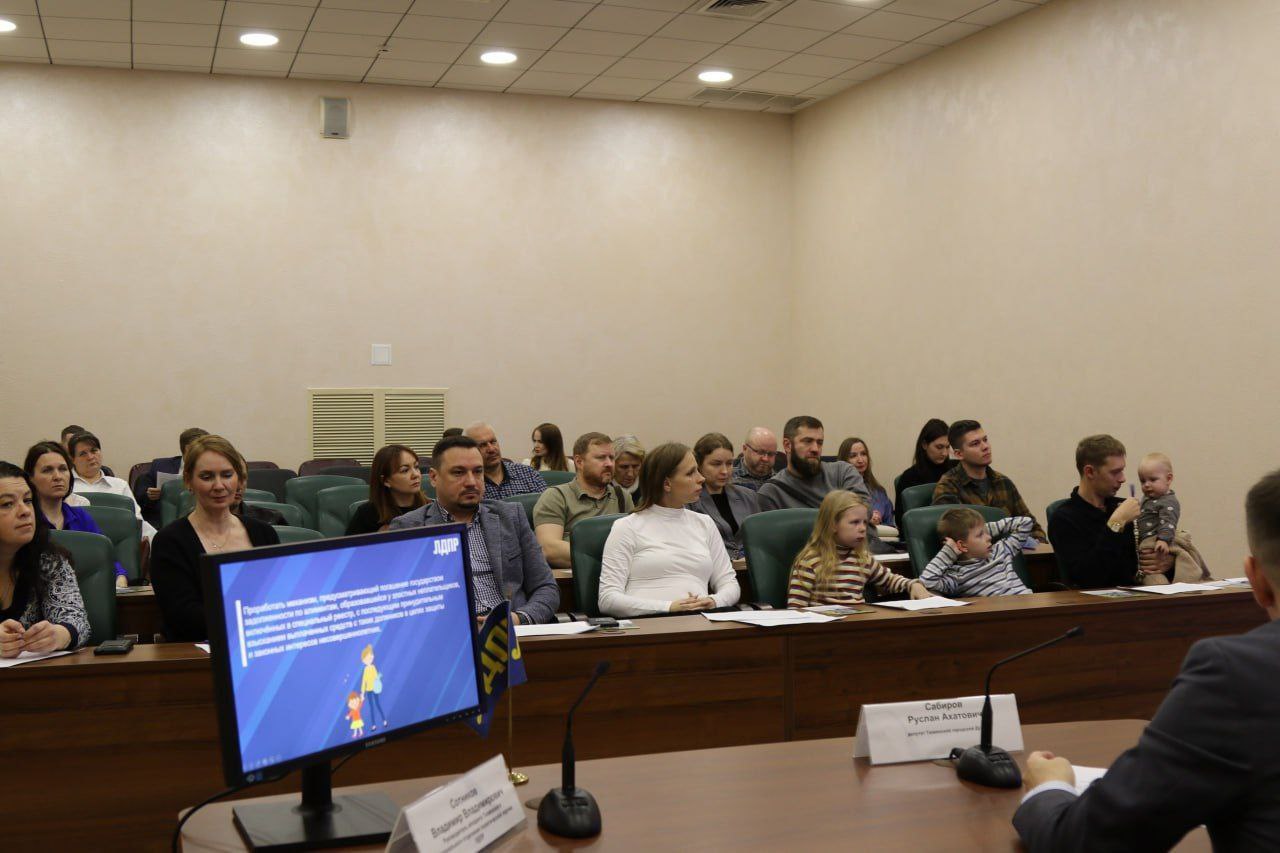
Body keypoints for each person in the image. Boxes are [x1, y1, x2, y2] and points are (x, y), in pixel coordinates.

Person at [1013, 468, 1280, 852]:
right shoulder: (1073, 517)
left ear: (1256, 580)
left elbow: (1089, 840)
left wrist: (1048, 788)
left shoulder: (1235, 675)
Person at [390, 435, 559, 624]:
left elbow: (546, 587)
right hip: (454, 633)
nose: (471, 482)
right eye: (458, 473)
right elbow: (403, 605)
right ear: (434, 477)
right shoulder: (409, 527)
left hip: (514, 630)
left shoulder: (511, 516)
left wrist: (519, 619)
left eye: (478, 471)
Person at [150, 435, 279, 641]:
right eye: (207, 477)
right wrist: (253, 621)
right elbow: (183, 618)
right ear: (188, 481)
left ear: (239, 479)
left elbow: (277, 597)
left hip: (260, 646)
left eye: (227, 475)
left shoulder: (264, 533)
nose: (219, 485)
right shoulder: (169, 541)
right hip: (197, 653)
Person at [598, 442, 740, 617]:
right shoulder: (627, 527)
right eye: (690, 473)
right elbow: (608, 599)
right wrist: (669, 607)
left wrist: (715, 601)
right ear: (667, 484)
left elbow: (729, 583)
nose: (701, 478)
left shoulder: (705, 523)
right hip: (649, 623)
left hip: (698, 620)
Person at [1048, 434, 1172, 589]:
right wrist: (1117, 522)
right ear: (1090, 472)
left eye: (1122, 470)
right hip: (1098, 600)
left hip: (1142, 593)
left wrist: (1168, 562)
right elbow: (1088, 577)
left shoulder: (1124, 506)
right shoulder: (1064, 518)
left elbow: (1153, 551)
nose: (1122, 478)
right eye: (1115, 472)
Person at [0, 461, 91, 656]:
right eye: (7, 504)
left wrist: (60, 635)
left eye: (27, 500)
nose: (25, 511)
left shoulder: (49, 560)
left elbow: (78, 621)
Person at [787, 491, 929, 608]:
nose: (862, 528)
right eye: (855, 522)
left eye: (865, 522)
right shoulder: (810, 561)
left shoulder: (862, 558)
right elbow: (796, 609)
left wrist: (913, 585)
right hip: (824, 630)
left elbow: (889, 580)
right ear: (832, 524)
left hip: (858, 625)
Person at [24, 441, 127, 587]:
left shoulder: (81, 517)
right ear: (30, 479)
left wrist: (120, 577)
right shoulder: (24, 519)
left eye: (63, 469)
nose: (57, 476)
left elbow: (108, 560)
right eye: (47, 470)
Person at [931, 420, 1046, 542]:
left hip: (1011, 552)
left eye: (985, 440)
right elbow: (953, 538)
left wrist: (1036, 542)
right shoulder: (948, 486)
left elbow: (1033, 527)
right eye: (975, 444)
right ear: (959, 454)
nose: (985, 447)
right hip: (977, 554)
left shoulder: (1003, 482)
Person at [533, 432, 633, 569]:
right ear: (579, 462)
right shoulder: (556, 496)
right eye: (601, 458)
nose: (609, 464)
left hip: (619, 575)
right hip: (574, 578)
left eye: (611, 458)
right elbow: (549, 549)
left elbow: (637, 543)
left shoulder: (622, 496)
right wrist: (610, 558)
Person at [757, 416, 872, 512]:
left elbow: (863, 511)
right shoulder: (772, 492)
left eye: (819, 443)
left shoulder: (842, 472)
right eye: (808, 441)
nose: (815, 449)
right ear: (787, 445)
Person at [919, 507, 1035, 597]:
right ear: (962, 545)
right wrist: (948, 552)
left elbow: (1026, 523)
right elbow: (926, 582)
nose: (989, 537)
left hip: (1029, 605)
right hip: (1003, 615)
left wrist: (985, 529)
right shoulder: (958, 576)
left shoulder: (1000, 550)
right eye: (980, 535)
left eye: (987, 532)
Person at [1134, 452, 1211, 585]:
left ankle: (1186, 581)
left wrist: (1163, 540)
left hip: (1158, 540)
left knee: (1156, 579)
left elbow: (1168, 522)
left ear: (1168, 479)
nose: (1146, 485)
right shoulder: (1147, 498)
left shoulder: (1168, 501)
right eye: (1143, 481)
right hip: (1146, 540)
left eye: (1152, 480)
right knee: (1149, 572)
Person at [68, 431, 156, 539]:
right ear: (72, 459)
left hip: (119, 542)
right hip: (78, 541)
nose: (90, 457)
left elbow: (136, 521)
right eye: (83, 454)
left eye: (94, 451)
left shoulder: (120, 485)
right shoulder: (66, 487)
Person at [689, 433, 759, 560]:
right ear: (699, 465)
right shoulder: (689, 501)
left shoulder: (748, 496)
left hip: (751, 565)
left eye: (729, 463)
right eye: (716, 464)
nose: (725, 471)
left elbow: (761, 536)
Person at [133, 427, 209, 528]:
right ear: (188, 448)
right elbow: (139, 501)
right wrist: (150, 496)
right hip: (162, 523)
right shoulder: (160, 466)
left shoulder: (212, 468)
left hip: (202, 520)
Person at [346, 444, 428, 535]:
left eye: (416, 467)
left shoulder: (431, 507)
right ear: (385, 480)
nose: (416, 475)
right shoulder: (366, 514)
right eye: (405, 470)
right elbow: (348, 544)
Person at [893, 418, 957, 529]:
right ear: (924, 444)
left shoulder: (956, 470)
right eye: (939, 447)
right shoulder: (909, 477)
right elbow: (901, 520)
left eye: (947, 447)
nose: (945, 453)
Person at [463, 422, 547, 500]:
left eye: (493, 442)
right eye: (482, 445)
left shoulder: (529, 474)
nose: (491, 449)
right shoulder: (470, 485)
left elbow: (548, 505)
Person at [839, 437, 895, 534]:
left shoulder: (879, 491)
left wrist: (878, 521)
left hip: (880, 539)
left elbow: (891, 526)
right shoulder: (838, 492)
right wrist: (866, 519)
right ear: (844, 461)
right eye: (853, 456)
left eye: (863, 454)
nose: (860, 460)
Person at [732, 427, 778, 492]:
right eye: (760, 452)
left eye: (771, 454)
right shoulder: (727, 478)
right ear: (745, 449)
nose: (765, 459)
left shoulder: (780, 482)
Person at [612, 435, 645, 503]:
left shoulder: (650, 488)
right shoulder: (602, 489)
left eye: (635, 466)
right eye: (624, 467)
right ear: (612, 465)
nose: (630, 474)